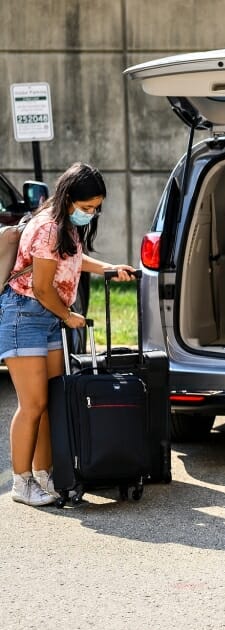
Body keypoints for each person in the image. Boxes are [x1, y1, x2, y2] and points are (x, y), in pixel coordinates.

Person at [0, 162, 135, 506]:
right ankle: (21, 483)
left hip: (44, 318)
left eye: (96, 208)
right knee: (33, 405)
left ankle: (45, 475)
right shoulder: (47, 228)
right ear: (69, 198)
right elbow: (43, 288)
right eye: (87, 207)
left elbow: (74, 259)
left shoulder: (64, 226)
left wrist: (110, 267)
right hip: (25, 314)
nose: (91, 213)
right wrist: (69, 315)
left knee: (52, 402)